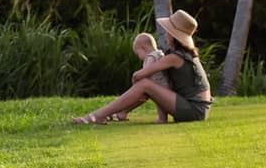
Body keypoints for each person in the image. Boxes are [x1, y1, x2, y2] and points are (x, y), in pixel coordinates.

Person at [71, 10, 212, 125]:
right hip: (197, 109)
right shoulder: (184, 55)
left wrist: (136, 81)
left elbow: (141, 75)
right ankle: (120, 113)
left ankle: (96, 116)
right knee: (150, 85)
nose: (166, 35)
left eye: (169, 32)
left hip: (193, 110)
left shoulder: (174, 58)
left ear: (174, 37)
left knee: (145, 84)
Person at [107, 32, 172, 123]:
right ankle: (122, 112)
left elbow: (146, 71)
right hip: (164, 85)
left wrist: (137, 77)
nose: (139, 57)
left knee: (157, 103)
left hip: (158, 86)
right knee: (143, 100)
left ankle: (162, 119)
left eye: (138, 54)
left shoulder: (151, 56)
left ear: (143, 48)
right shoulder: (160, 53)